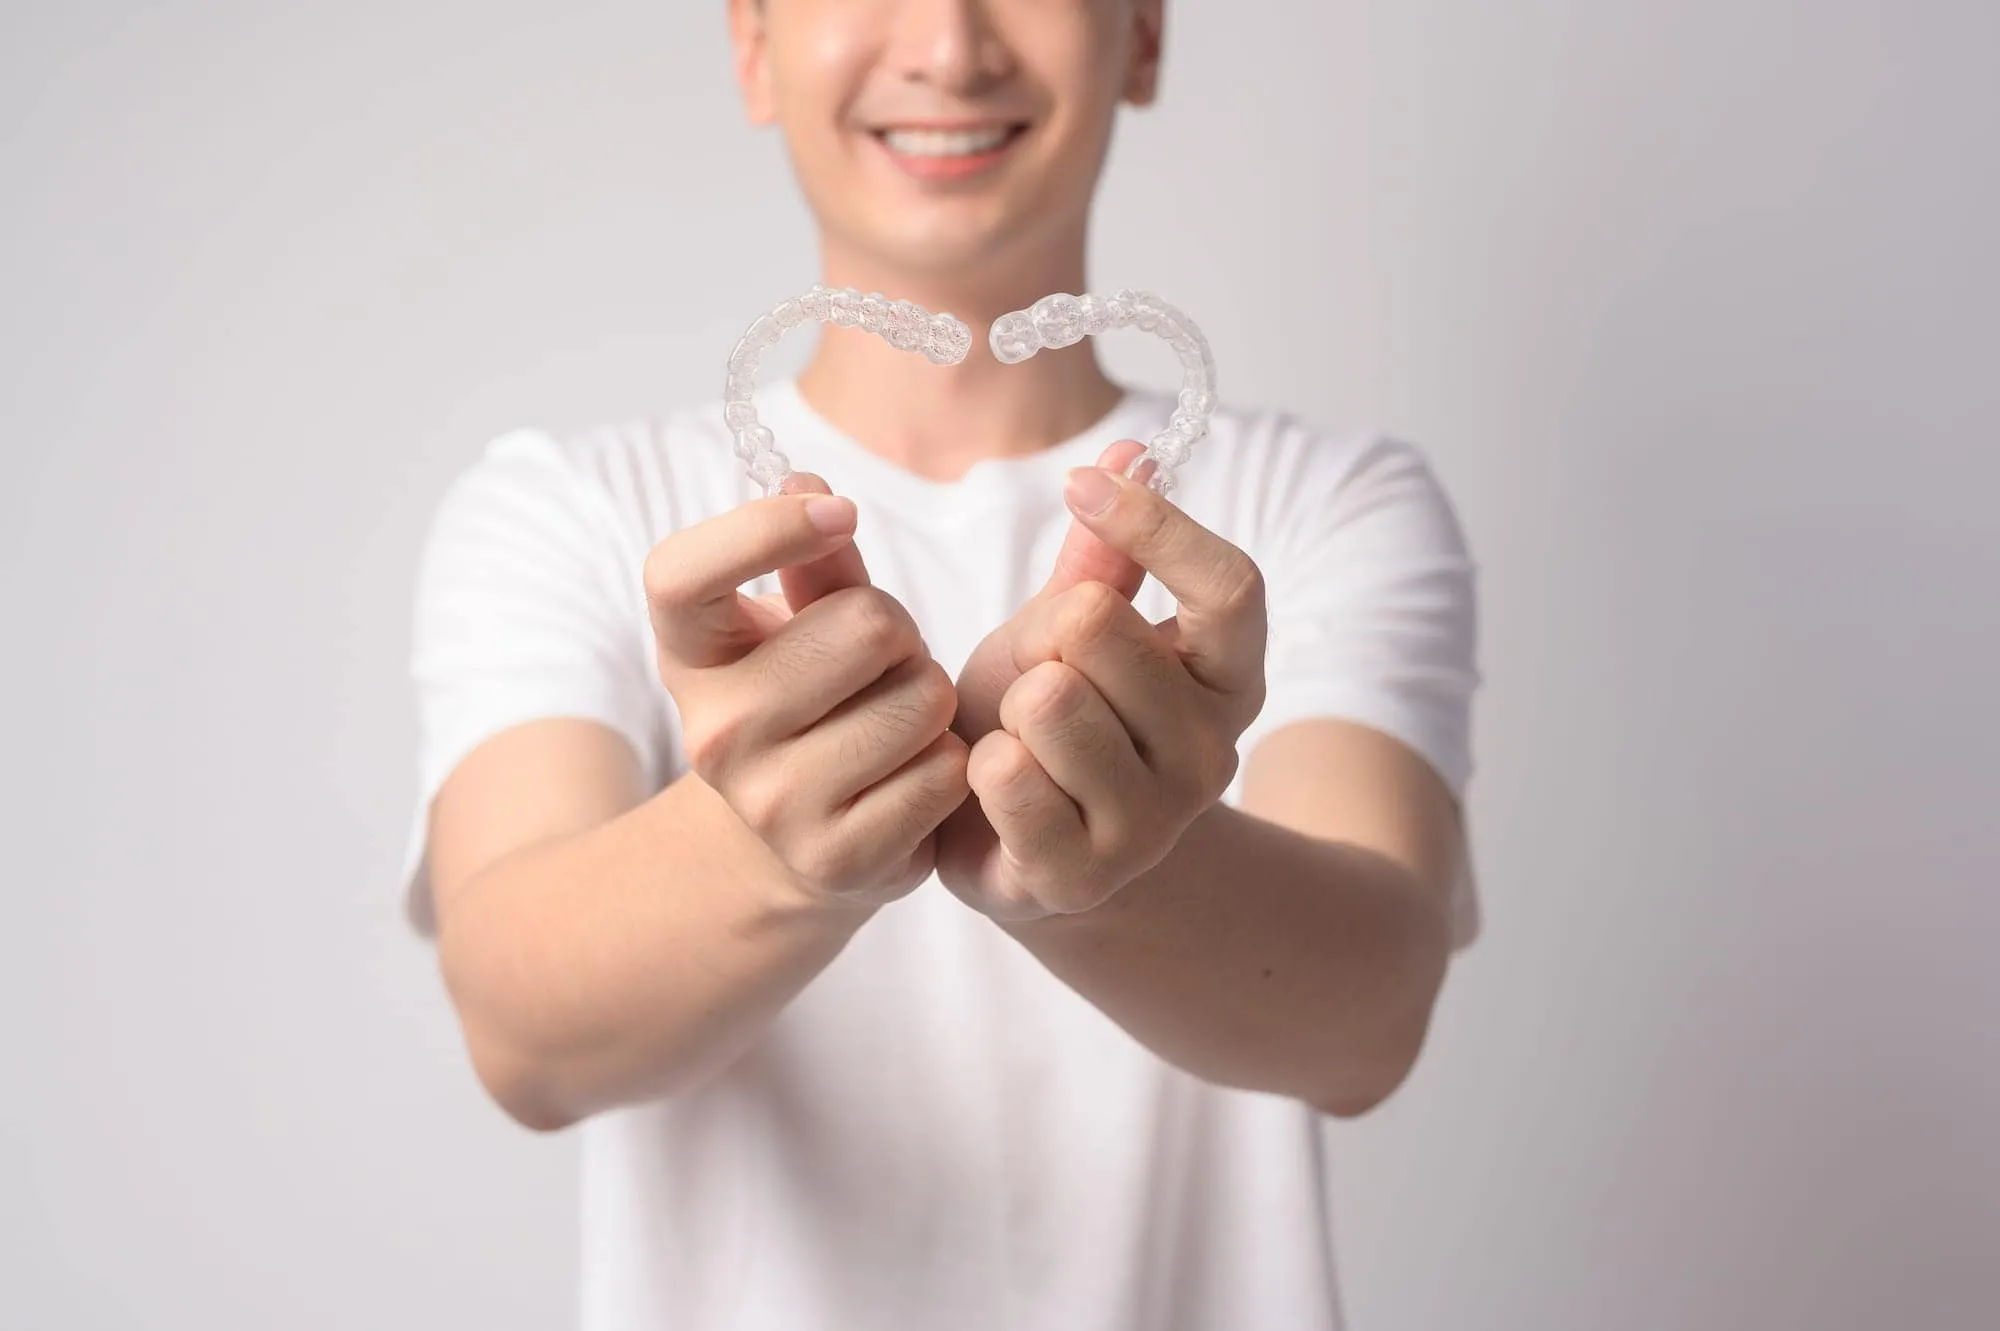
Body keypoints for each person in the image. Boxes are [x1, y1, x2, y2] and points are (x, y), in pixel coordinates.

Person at [400, 2, 1481, 1326]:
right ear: (753, 44)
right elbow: (521, 1027)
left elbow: (1367, 1018)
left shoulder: (1323, 504)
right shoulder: (574, 507)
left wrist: (1117, 867)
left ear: (1141, 34)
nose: (949, 45)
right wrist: (767, 847)